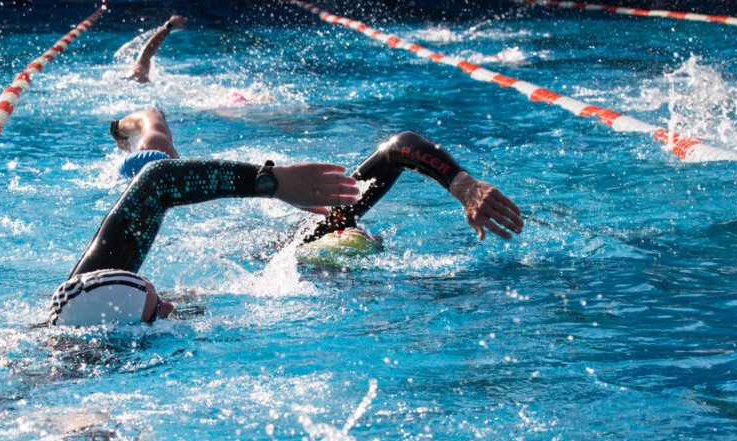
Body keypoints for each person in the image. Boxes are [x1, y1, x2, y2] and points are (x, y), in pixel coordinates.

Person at [51, 131, 522, 326]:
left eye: (159, 296)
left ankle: (148, 122)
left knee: (156, 147)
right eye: (159, 307)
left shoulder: (292, 254)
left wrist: (273, 181)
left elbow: (399, 147)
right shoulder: (86, 329)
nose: (172, 305)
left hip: (270, 250)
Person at [109, 107, 179, 179]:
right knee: (177, 174)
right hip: (155, 137)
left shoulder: (151, 115)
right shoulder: (154, 115)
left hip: (152, 137)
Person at [122, 14, 186, 83]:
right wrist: (169, 25)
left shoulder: (132, 79)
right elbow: (146, 52)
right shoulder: (136, 77)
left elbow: (145, 55)